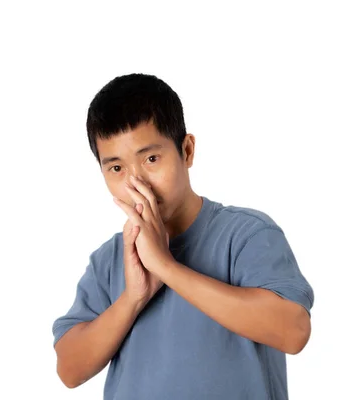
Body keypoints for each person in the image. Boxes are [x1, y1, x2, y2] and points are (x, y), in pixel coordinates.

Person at [51, 73, 314, 400]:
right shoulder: (108, 259)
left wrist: (166, 268)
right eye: (116, 168)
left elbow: (294, 332)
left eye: (151, 159)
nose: (137, 184)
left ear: (186, 151)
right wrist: (133, 298)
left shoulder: (245, 234)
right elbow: (69, 370)